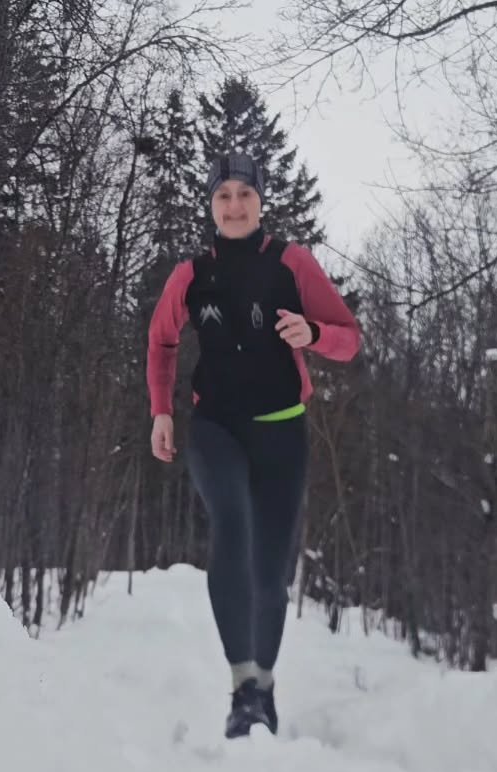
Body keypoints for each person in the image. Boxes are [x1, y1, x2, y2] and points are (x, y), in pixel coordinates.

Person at [145, 152, 361, 739]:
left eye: (244, 194)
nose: (234, 205)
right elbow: (161, 342)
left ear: (261, 201)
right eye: (223, 196)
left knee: (270, 572)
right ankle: (241, 685)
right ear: (210, 205)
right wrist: (161, 412)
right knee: (231, 528)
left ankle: (263, 686)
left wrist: (313, 333)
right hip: (214, 426)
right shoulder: (191, 275)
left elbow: (349, 340)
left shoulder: (292, 264)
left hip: (282, 429)